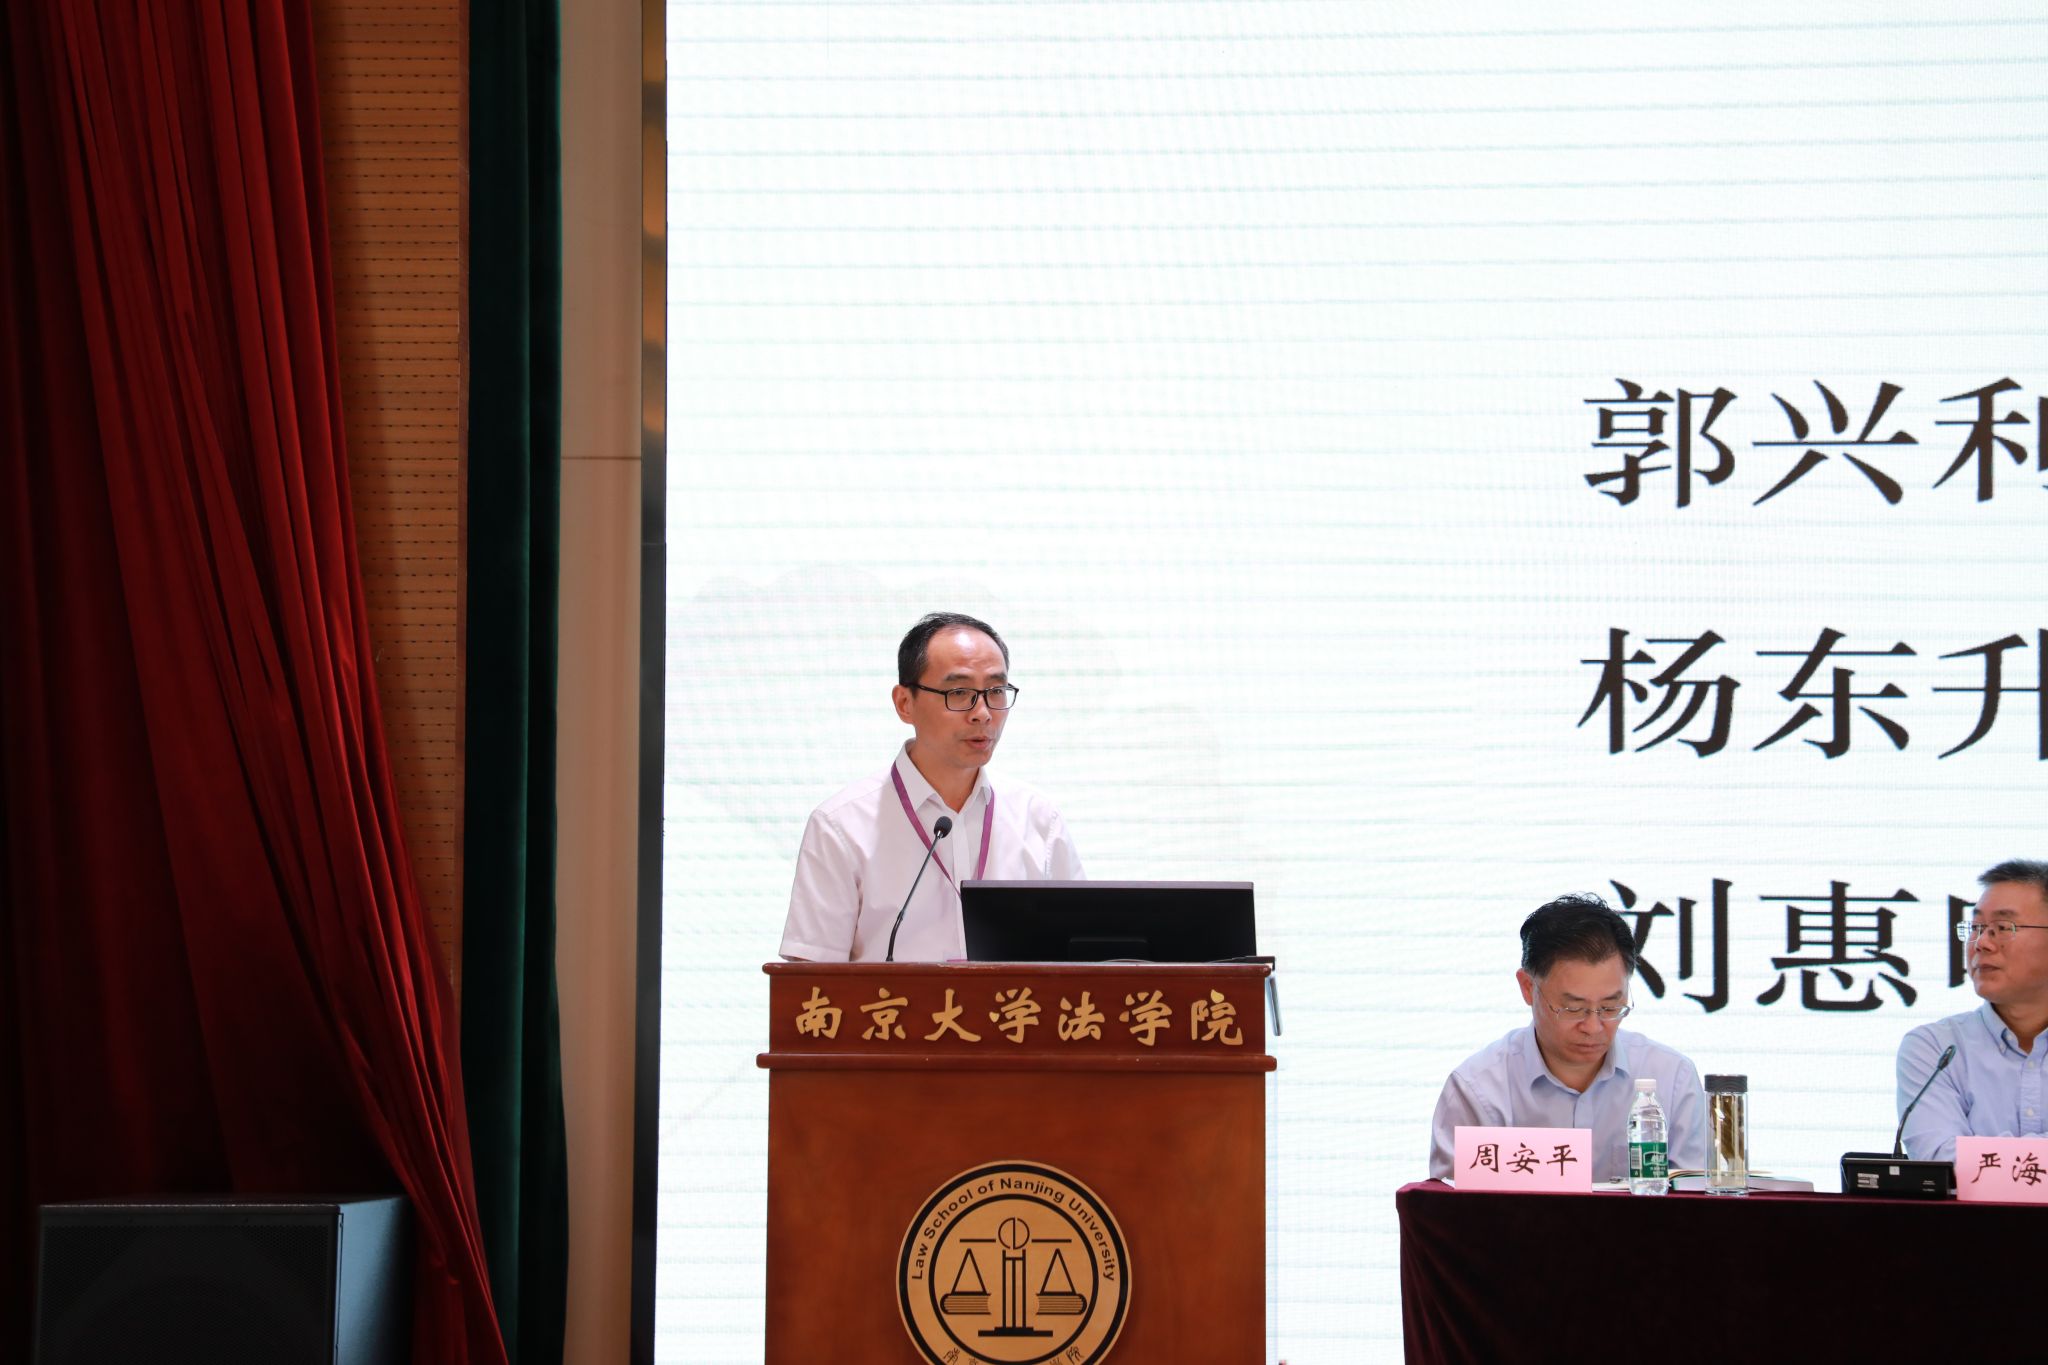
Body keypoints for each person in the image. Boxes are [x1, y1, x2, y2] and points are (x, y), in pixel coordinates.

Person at [778, 612, 1083, 962]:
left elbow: (1083, 958)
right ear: (904, 703)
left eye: (996, 691)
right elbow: (811, 977)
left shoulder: (1039, 819)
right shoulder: (840, 826)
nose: (983, 713)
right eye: (960, 692)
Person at [1429, 893, 1706, 1182]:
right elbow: (1453, 1207)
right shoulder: (1478, 1090)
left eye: (1610, 1007)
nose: (1593, 1027)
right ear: (1528, 987)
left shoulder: (1672, 1079)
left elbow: (1693, 1200)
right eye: (1573, 1008)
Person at [1896, 859, 2048, 1162]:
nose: (1981, 944)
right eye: (1976, 928)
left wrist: (1979, 1157)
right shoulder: (1935, 1048)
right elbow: (1938, 1160)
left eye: (2002, 928)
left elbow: (1965, 1164)